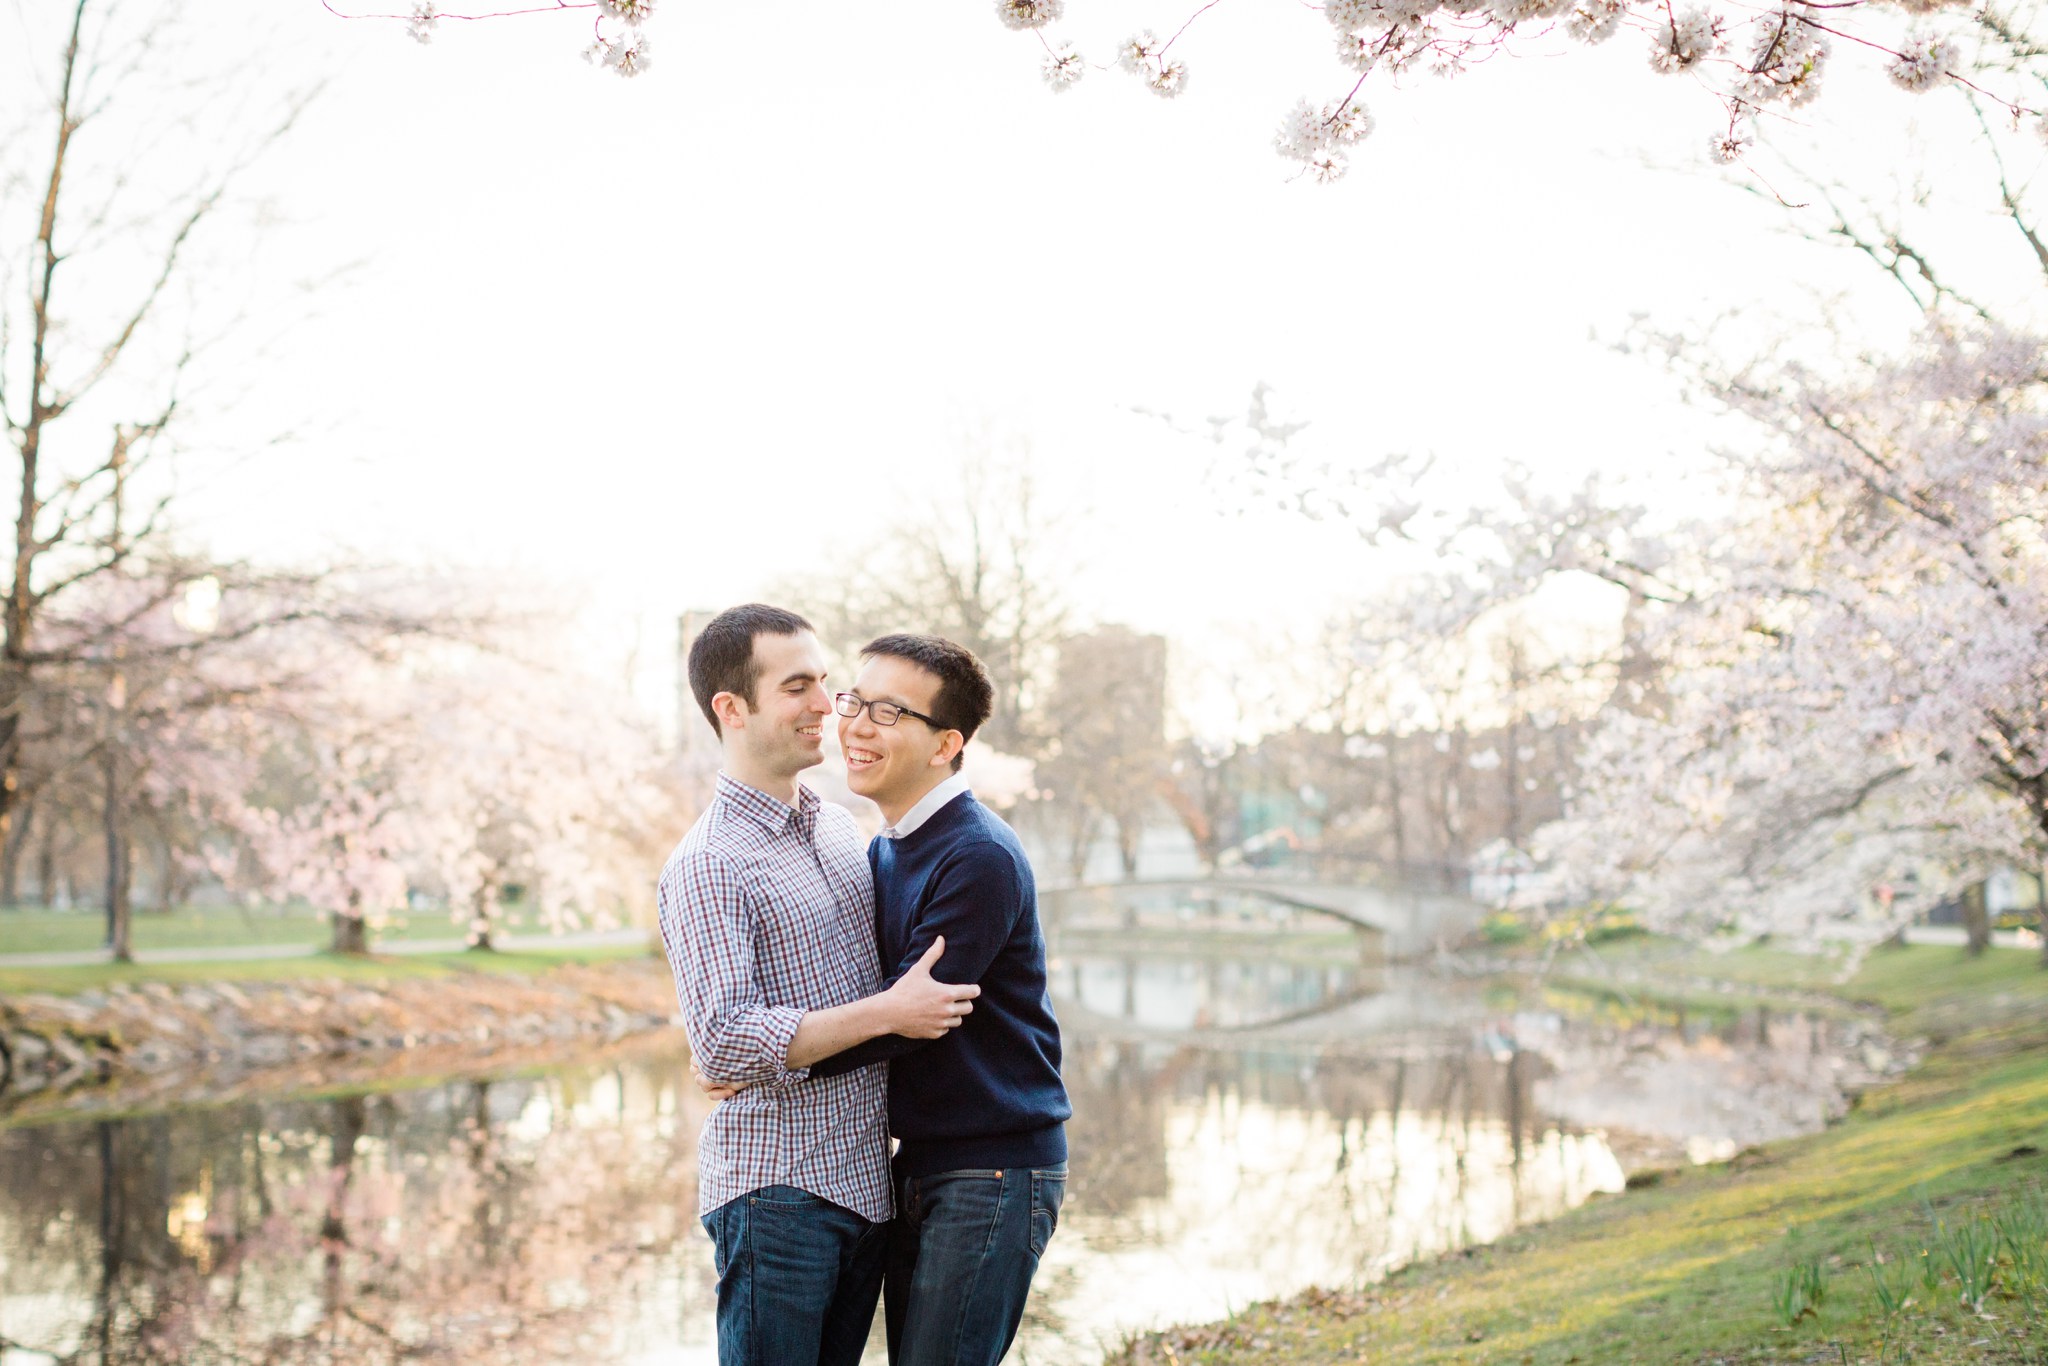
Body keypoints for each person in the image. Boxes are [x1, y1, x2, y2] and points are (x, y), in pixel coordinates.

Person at [655, 604, 982, 1366]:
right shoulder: (708, 864)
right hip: (777, 1194)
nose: (825, 707)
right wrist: (887, 1013)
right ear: (732, 709)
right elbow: (727, 1040)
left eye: (824, 682)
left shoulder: (841, 828)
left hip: (865, 1184)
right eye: (797, 686)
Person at [805, 632, 1072, 1366]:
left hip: (993, 1166)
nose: (855, 725)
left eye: (888, 712)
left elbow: (906, 1018)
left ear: (946, 742)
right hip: (924, 1160)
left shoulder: (975, 854)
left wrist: (775, 1055)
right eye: (853, 700)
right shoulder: (889, 844)